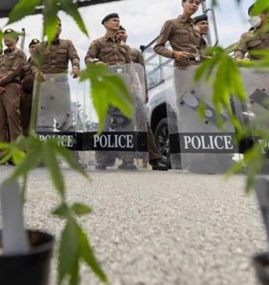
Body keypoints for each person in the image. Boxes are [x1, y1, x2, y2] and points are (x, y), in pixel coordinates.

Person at [85, 13, 137, 170]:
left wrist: (134, 83)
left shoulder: (124, 46)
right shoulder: (98, 43)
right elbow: (87, 59)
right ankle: (101, 160)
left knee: (127, 121)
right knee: (105, 122)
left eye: (118, 20)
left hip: (123, 85)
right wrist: (96, 62)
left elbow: (130, 65)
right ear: (105, 23)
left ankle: (128, 160)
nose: (117, 22)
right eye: (114, 20)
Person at [117, 26, 169, 171]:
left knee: (143, 123)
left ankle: (154, 158)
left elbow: (142, 73)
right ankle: (126, 160)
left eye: (123, 32)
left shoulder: (135, 52)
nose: (120, 34)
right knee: (121, 124)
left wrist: (144, 92)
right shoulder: (109, 50)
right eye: (118, 32)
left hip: (132, 93)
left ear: (126, 35)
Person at [34, 19, 80, 132]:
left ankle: (69, 142)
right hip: (44, 83)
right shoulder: (39, 47)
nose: (58, 27)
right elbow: (32, 64)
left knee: (65, 114)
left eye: (60, 25)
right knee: (43, 115)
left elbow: (74, 57)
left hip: (61, 82)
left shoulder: (67, 44)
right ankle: (43, 140)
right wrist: (36, 71)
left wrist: (75, 67)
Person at [0, 29, 26, 148]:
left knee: (13, 119)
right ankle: (1, 153)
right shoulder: (0, 57)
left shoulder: (19, 54)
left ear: (16, 39)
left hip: (11, 87)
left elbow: (14, 71)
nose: (6, 38)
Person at [154, 0, 203, 65]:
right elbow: (158, 47)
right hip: (183, 68)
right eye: (191, 1)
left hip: (199, 66)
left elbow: (199, 51)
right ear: (183, 4)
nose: (194, 4)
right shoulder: (171, 23)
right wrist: (174, 54)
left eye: (197, 3)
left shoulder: (196, 28)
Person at [20, 39, 39, 136]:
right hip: (26, 96)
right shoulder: (25, 63)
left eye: (36, 47)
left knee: (38, 124)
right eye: (32, 47)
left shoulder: (45, 62)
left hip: (39, 96)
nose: (34, 49)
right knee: (24, 122)